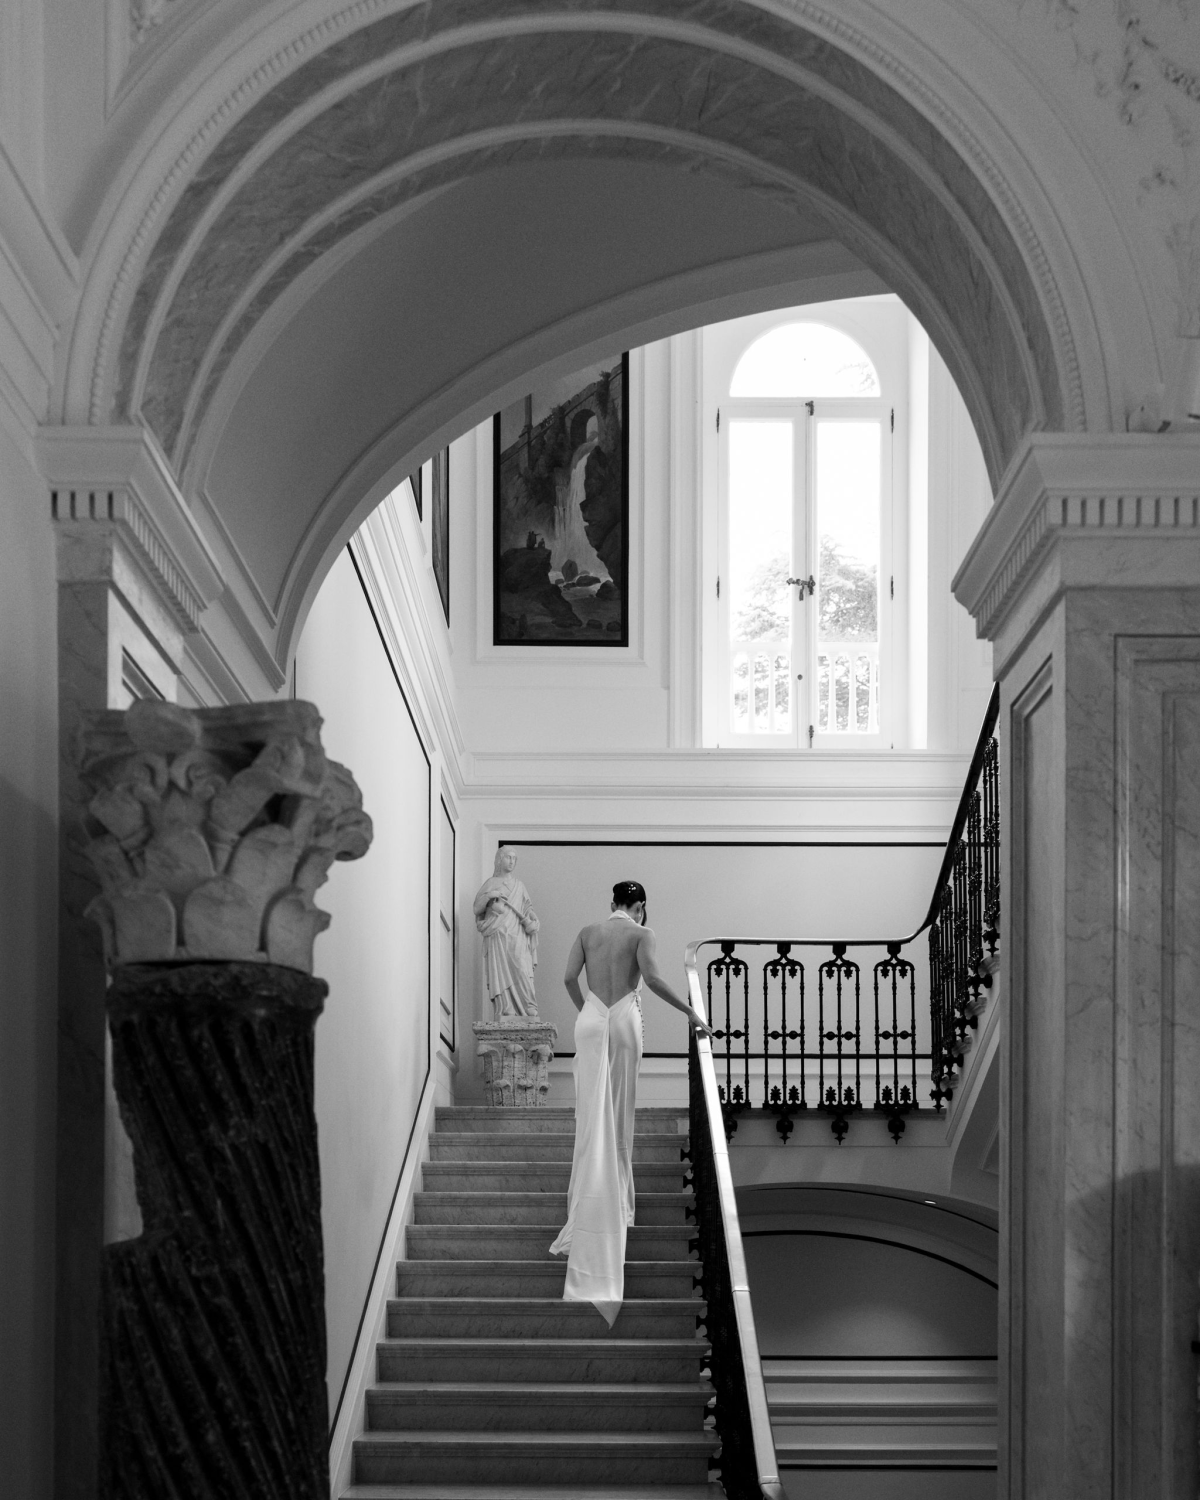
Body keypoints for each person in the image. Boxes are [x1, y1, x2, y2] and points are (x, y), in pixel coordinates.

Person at [549, 881, 712, 1325]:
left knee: (590, 1118)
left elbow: (567, 978)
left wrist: (588, 1011)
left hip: (590, 1020)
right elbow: (653, 979)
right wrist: (691, 1013)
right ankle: (617, 1206)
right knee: (618, 1116)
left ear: (612, 903)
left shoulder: (588, 931)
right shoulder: (642, 933)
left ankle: (585, 1208)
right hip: (622, 1020)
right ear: (639, 906)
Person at [473, 847, 540, 1018]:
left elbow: (527, 908)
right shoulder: (490, 883)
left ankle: (528, 1004)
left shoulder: (519, 885)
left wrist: (534, 919)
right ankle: (505, 1006)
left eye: (514, 858)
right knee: (500, 970)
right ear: (499, 859)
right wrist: (490, 895)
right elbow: (477, 909)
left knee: (522, 967)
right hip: (497, 934)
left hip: (517, 934)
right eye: (508, 857)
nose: (511, 861)